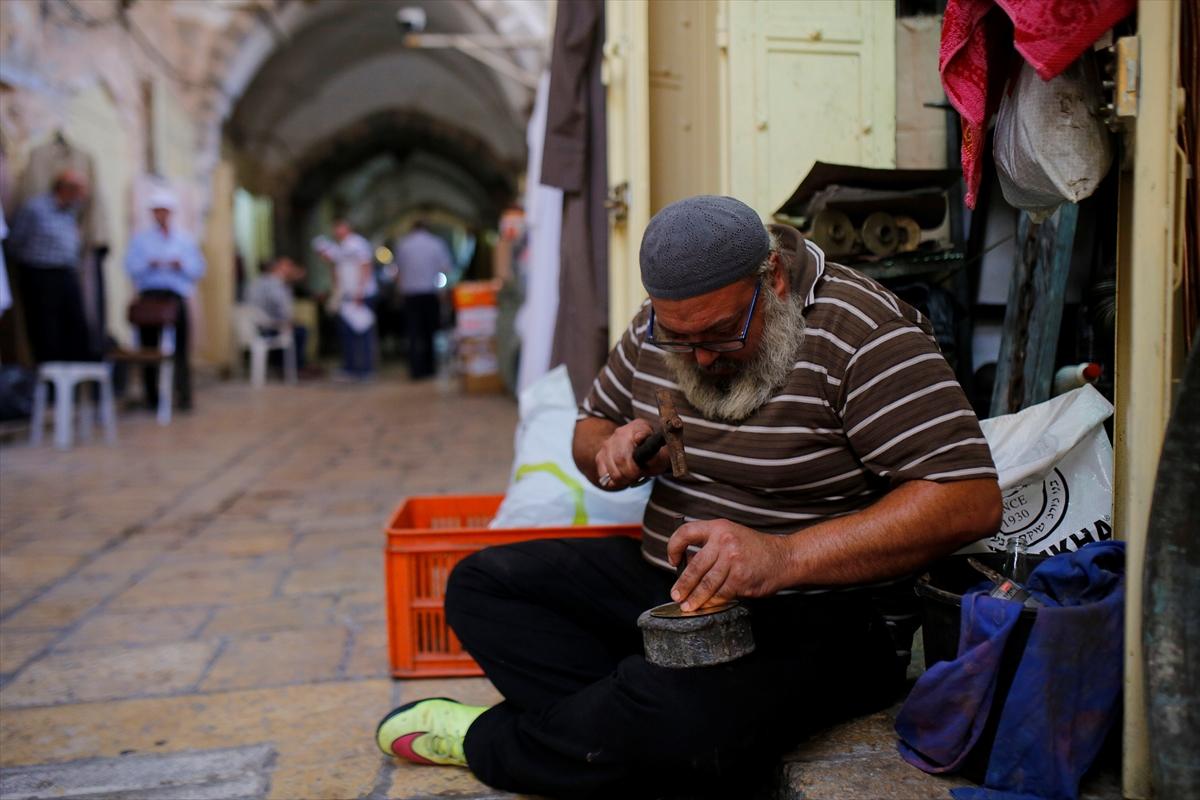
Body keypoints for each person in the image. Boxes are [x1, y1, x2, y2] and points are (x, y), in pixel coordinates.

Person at [375, 196, 1003, 799]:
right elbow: (589, 425)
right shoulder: (663, 325)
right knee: (484, 584)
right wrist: (609, 451)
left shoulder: (863, 333)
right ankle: (638, 724)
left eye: (724, 334)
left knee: (689, 720)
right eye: (681, 339)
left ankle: (498, 740)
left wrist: (782, 557)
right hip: (673, 588)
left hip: (823, 611)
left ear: (774, 278)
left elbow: (966, 498)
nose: (701, 356)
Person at [125, 188, 206, 411]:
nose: (161, 215)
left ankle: (183, 397)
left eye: (165, 211)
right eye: (157, 211)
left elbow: (198, 268)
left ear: (170, 212)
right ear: (153, 213)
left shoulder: (184, 239)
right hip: (150, 298)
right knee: (149, 349)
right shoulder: (141, 240)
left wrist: (182, 265)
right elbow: (130, 266)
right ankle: (152, 397)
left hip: (175, 297)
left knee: (180, 349)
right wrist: (149, 264)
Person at [6, 169, 94, 362]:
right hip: (40, 274)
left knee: (74, 325)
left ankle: (70, 375)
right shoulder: (35, 209)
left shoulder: (71, 211)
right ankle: (48, 376)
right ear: (65, 189)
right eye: (79, 190)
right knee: (45, 328)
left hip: (66, 273)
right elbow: (14, 243)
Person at [317, 219, 376, 380]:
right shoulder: (340, 247)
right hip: (346, 295)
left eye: (339, 227)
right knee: (347, 332)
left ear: (347, 228)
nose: (336, 231)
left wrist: (360, 292)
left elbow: (365, 267)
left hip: (359, 295)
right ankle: (351, 367)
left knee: (362, 331)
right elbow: (336, 269)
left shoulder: (358, 244)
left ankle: (365, 369)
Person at [394, 219, 452, 379]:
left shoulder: (403, 244)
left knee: (412, 332)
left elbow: (397, 271)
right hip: (429, 293)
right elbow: (445, 268)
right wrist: (442, 290)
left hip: (410, 294)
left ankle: (415, 369)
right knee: (429, 331)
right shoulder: (436, 243)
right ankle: (430, 368)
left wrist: (400, 291)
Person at [245, 256, 311, 373]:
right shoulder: (273, 283)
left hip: (261, 325)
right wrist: (288, 321)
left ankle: (284, 366)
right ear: (278, 268)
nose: (292, 269)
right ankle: (293, 368)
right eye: (288, 266)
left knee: (295, 328)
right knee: (300, 331)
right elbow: (280, 309)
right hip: (265, 327)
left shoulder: (267, 281)